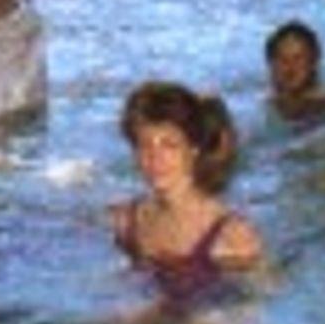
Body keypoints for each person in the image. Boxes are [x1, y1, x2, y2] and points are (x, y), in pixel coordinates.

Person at [112, 81, 263, 311]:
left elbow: (255, 309)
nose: (155, 158)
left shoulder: (232, 237)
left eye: (169, 145)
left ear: (193, 149)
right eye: (144, 145)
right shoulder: (127, 223)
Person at [264, 20, 325, 120]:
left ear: (313, 61)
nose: (291, 68)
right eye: (283, 60)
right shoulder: (260, 107)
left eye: (298, 59)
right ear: (271, 64)